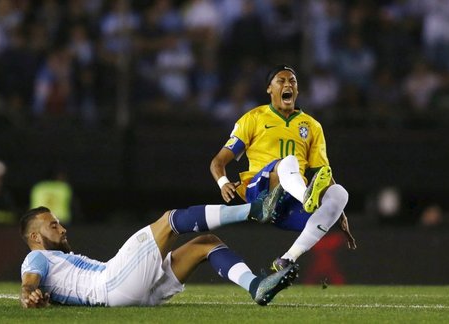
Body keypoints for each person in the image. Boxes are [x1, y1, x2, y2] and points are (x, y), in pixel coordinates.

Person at [210, 64, 356, 271]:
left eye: (292, 81)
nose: (288, 84)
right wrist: (223, 183)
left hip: (287, 207)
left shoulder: (312, 126)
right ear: (269, 89)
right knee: (288, 162)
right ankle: (306, 197)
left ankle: (288, 258)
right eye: (281, 81)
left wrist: (339, 212)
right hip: (260, 193)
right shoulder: (254, 118)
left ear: (297, 90)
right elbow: (217, 162)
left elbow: (322, 173)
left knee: (340, 193)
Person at [20, 199, 299, 308]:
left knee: (207, 243)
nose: (62, 228)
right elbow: (28, 284)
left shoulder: (57, 261)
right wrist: (28, 294)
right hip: (111, 284)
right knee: (168, 221)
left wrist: (41, 300)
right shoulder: (37, 258)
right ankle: (254, 210)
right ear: (35, 237)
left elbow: (44, 292)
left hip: (135, 294)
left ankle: (256, 286)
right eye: (53, 225)